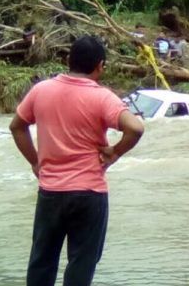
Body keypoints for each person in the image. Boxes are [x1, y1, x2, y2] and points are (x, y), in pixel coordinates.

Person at [9, 36, 144, 286]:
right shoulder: (102, 97)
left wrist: (35, 161)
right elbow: (135, 128)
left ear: (68, 61)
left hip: (50, 191)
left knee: (42, 260)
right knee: (81, 262)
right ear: (100, 65)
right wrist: (114, 152)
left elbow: (17, 127)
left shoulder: (41, 90)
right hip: (89, 192)